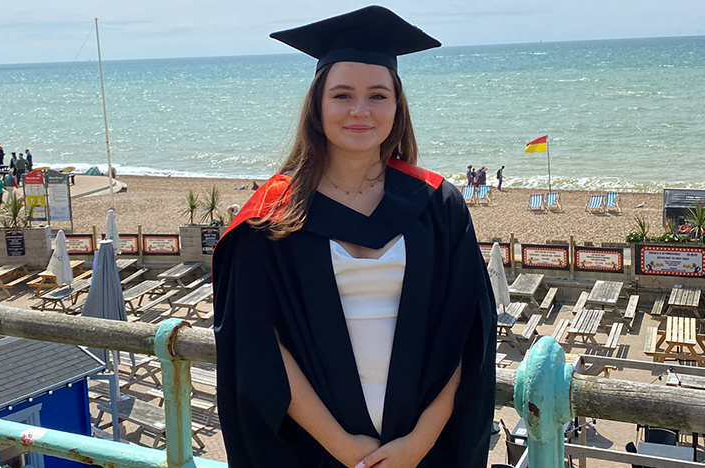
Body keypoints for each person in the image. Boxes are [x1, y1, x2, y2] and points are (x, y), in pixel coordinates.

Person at [212, 6, 496, 468]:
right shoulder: (274, 215)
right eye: (342, 94)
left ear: (396, 106)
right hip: (314, 451)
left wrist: (419, 442)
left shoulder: (438, 206)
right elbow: (259, 342)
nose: (360, 110)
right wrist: (345, 448)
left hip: (423, 452)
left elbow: (466, 332)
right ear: (318, 105)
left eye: (378, 96)